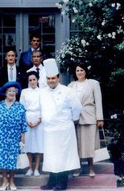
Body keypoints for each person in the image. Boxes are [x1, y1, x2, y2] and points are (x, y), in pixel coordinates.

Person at [39, 58, 82, 190]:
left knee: (63, 156)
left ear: (58, 78)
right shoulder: (43, 92)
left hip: (63, 129)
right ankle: (52, 182)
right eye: (49, 78)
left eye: (53, 78)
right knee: (51, 157)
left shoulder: (67, 91)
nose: (51, 81)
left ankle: (62, 183)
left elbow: (77, 108)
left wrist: (70, 120)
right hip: (49, 131)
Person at [68, 62, 104, 177]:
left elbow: (98, 101)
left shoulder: (93, 83)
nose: (79, 72)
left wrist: (99, 118)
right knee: (77, 144)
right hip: (76, 118)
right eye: (77, 70)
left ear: (86, 71)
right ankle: (78, 168)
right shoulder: (71, 86)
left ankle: (91, 168)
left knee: (90, 144)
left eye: (82, 70)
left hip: (89, 116)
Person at [0, 81, 27, 191]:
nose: (12, 93)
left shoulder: (20, 106)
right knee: (2, 159)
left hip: (14, 137)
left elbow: (23, 123)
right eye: (9, 91)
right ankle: (4, 180)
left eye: (14, 91)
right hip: (1, 136)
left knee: (13, 159)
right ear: (5, 92)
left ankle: (11, 180)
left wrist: (22, 137)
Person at [19, 71, 43, 177]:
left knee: (38, 143)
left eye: (34, 79)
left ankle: (37, 168)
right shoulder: (24, 92)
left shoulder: (42, 91)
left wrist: (39, 120)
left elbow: (45, 107)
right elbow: (21, 108)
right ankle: (29, 167)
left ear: (37, 80)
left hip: (39, 119)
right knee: (28, 143)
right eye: (30, 80)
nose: (32, 82)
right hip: (27, 118)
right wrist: (25, 120)